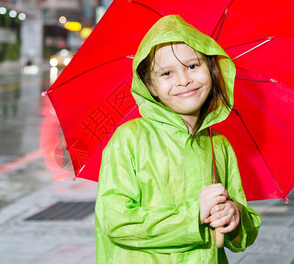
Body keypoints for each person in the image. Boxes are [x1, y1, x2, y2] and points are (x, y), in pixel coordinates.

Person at [95, 15, 261, 263]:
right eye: (166, 73)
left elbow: (242, 236)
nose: (184, 80)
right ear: (150, 87)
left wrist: (234, 216)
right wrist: (194, 215)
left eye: (193, 66)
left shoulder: (219, 145)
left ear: (212, 69)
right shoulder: (130, 138)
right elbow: (116, 221)